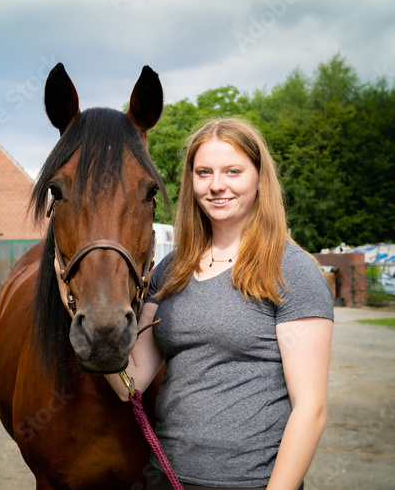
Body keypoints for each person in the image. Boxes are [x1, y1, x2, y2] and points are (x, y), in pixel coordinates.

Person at [106, 117, 334, 490]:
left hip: (249, 483)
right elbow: (130, 384)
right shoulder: (171, 269)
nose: (216, 185)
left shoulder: (291, 271)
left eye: (233, 171)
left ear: (259, 178)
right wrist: (86, 317)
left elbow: (311, 409)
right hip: (165, 477)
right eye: (203, 172)